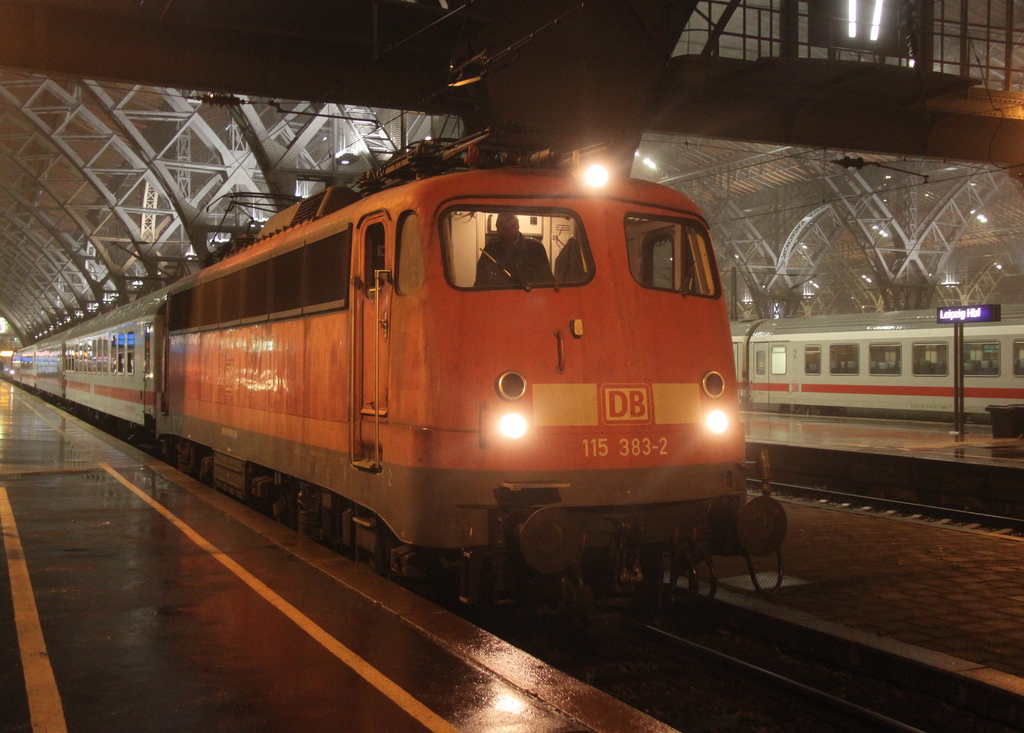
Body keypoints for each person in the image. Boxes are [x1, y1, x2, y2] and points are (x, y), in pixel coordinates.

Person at [474, 213, 554, 288]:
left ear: (516, 226)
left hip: (528, 297)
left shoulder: (535, 248)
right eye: (498, 226)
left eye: (505, 227)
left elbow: (547, 280)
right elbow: (480, 281)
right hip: (498, 297)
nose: (500, 231)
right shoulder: (491, 249)